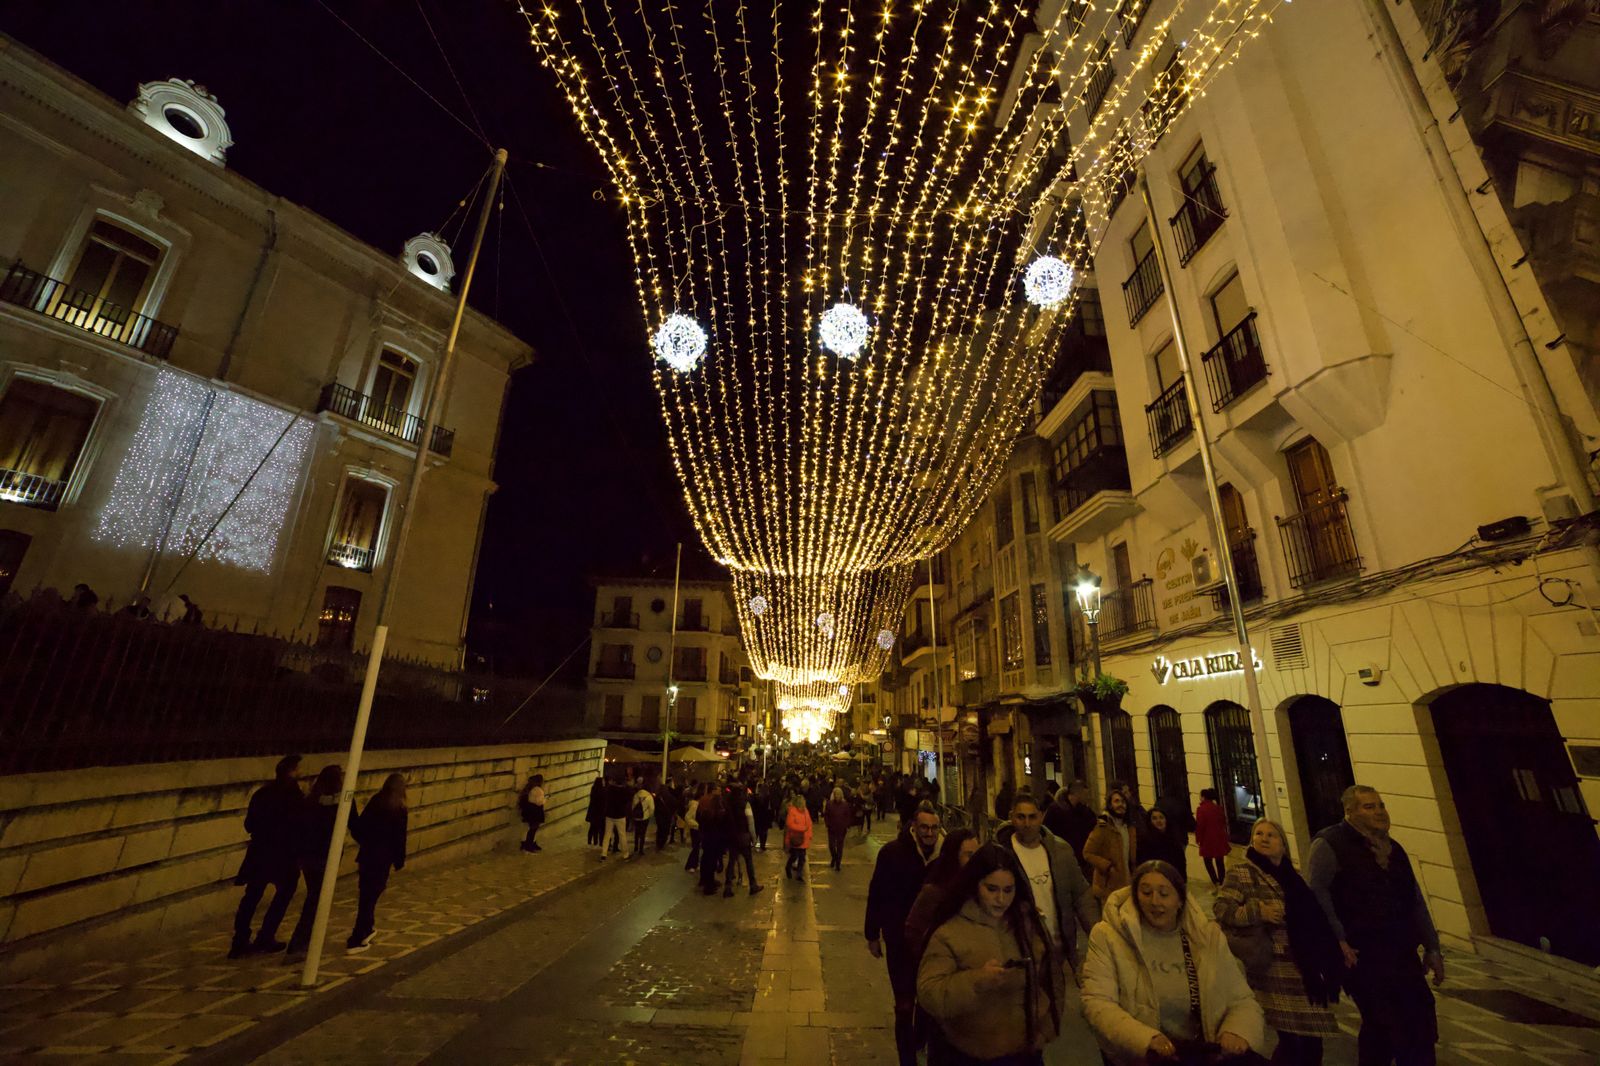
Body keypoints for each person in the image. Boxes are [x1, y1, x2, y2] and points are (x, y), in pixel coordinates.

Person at [1307, 787, 1444, 1066]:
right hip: (1361, 955)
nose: (1379, 812)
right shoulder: (1330, 844)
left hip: (1402, 953)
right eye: (1369, 807)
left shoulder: (1394, 849)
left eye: (1381, 805)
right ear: (1350, 812)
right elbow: (1317, 895)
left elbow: (1414, 898)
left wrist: (1432, 947)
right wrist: (1338, 940)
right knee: (1384, 1021)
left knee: (1419, 1017)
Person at [1082, 859, 1266, 1064]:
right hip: (1142, 1059)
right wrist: (1146, 1039)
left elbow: (1241, 999)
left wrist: (1236, 1030)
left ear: (1180, 900)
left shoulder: (1206, 938)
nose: (1155, 901)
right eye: (1146, 892)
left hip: (1199, 1052)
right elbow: (1098, 1001)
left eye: (1164, 894)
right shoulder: (1109, 936)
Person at [917, 843, 1064, 1066]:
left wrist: (1045, 1030)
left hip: (1025, 1053)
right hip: (968, 1055)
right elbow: (930, 993)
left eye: (1008, 890)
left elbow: (1050, 978)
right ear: (976, 885)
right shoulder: (951, 932)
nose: (1001, 899)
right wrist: (976, 981)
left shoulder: (1027, 924)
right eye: (992, 889)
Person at [1215, 819, 1342, 1066]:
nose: (1264, 838)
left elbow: (1314, 918)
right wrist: (1257, 911)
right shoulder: (1242, 871)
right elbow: (1222, 909)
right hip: (1272, 969)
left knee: (1312, 1045)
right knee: (1293, 1043)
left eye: (1271, 835)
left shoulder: (1292, 876)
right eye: (1258, 833)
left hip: (1304, 970)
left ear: (1283, 844)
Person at [865, 801, 945, 1066]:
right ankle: (906, 1059)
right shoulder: (892, 853)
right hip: (899, 940)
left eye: (934, 828)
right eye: (924, 827)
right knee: (903, 1004)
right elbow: (877, 892)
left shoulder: (944, 859)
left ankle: (919, 1038)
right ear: (914, 827)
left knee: (927, 1001)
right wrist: (872, 933)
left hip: (933, 943)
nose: (929, 833)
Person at [995, 789, 1100, 975]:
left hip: (1056, 950)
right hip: (1017, 950)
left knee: (1055, 1000)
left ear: (1041, 817)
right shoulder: (1001, 854)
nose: (1027, 823)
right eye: (1021, 817)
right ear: (1012, 817)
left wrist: (1098, 935)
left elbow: (1081, 895)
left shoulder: (1060, 851)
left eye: (1032, 817)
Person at [230, 754, 304, 959]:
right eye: (297, 769)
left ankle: (240, 939)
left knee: (252, 896)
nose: (300, 773)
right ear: (291, 772)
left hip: (260, 852)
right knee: (284, 894)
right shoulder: (294, 795)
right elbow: (300, 826)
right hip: (284, 854)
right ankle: (266, 935)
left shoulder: (262, 793)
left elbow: (249, 825)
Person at [285, 765, 350, 958]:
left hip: (308, 857)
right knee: (316, 900)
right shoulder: (342, 803)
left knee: (315, 898)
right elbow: (355, 824)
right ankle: (299, 943)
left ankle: (304, 941)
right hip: (324, 857)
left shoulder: (310, 801)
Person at [347, 773, 408, 953]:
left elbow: (360, 827)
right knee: (370, 897)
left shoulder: (377, 801)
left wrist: (366, 843)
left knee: (367, 894)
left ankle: (367, 928)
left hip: (367, 856)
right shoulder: (399, 808)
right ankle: (357, 937)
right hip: (382, 859)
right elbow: (399, 837)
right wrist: (399, 860)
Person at [904, 827, 980, 968]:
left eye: (977, 855)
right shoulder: (934, 892)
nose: (975, 861)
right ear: (954, 856)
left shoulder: (980, 887)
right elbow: (914, 931)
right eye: (969, 855)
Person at [1083, 788, 1140, 902]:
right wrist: (1107, 867)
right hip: (1108, 886)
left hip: (1128, 883)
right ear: (1110, 804)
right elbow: (1087, 853)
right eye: (1116, 801)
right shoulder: (1102, 827)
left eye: (1123, 802)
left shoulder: (1129, 828)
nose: (1121, 805)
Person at [725, 785, 764, 897]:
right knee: (748, 861)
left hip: (732, 836)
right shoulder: (745, 804)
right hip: (743, 836)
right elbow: (750, 822)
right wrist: (754, 837)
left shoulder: (729, 804)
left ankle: (728, 887)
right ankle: (753, 885)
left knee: (731, 861)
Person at [697, 779, 730, 895]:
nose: (720, 790)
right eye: (718, 788)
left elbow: (699, 817)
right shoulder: (715, 805)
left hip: (705, 835)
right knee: (711, 860)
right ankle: (709, 885)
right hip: (714, 837)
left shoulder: (703, 801)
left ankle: (704, 880)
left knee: (706, 858)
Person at [1137, 807, 1188, 878]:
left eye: (1161, 817)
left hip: (1172, 879)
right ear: (1149, 821)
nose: (1159, 821)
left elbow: (1181, 862)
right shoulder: (1145, 841)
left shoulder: (1173, 839)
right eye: (1154, 818)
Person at [1196, 788, 1231, 885]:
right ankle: (1222, 881)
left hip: (1207, 839)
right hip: (1219, 838)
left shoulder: (1201, 809)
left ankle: (1215, 881)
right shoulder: (1218, 808)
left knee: (1208, 861)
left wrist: (1198, 839)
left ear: (1203, 797)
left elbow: (1200, 825)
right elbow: (1223, 822)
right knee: (1220, 862)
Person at [600, 772, 630, 859]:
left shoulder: (610, 790)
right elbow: (627, 801)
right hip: (620, 815)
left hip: (609, 815)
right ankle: (625, 854)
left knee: (607, 834)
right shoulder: (624, 791)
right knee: (622, 835)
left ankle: (604, 853)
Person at [783, 792, 813, 882]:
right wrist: (802, 828)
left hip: (804, 838)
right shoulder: (792, 811)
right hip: (795, 838)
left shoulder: (806, 811)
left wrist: (809, 834)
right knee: (794, 856)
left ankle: (799, 874)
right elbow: (790, 824)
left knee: (802, 857)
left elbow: (809, 823)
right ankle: (788, 867)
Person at [825, 786, 854, 871]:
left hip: (841, 829)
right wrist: (827, 824)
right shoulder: (829, 804)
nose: (837, 796)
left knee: (840, 846)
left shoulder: (845, 805)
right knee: (831, 846)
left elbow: (848, 816)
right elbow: (826, 815)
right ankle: (834, 857)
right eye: (836, 794)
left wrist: (846, 825)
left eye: (839, 794)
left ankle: (838, 863)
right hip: (831, 828)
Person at [519, 774, 546, 853]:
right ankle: (529, 844)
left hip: (530, 810)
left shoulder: (531, 789)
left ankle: (528, 843)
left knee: (530, 828)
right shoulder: (538, 790)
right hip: (536, 811)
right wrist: (545, 799)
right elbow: (539, 802)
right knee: (533, 828)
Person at [630, 777, 655, 857]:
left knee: (637, 832)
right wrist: (649, 815)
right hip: (645, 817)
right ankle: (641, 849)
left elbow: (633, 806)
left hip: (636, 817)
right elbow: (652, 808)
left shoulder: (636, 795)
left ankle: (635, 847)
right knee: (643, 833)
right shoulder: (649, 797)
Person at [653, 776, 678, 851]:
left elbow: (654, 807)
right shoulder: (670, 797)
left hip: (659, 816)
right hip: (667, 816)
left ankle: (659, 843)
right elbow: (675, 805)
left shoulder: (657, 797)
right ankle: (662, 843)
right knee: (665, 830)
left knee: (660, 829)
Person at [586, 775, 605, 847]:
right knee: (599, 828)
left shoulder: (593, 789)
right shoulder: (603, 790)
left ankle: (590, 841)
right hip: (600, 812)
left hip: (593, 811)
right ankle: (598, 842)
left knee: (592, 827)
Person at [752, 786, 773, 851]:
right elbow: (770, 809)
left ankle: (754, 843)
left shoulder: (756, 798)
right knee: (763, 833)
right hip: (764, 818)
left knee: (757, 831)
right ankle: (762, 845)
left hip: (757, 817)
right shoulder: (768, 799)